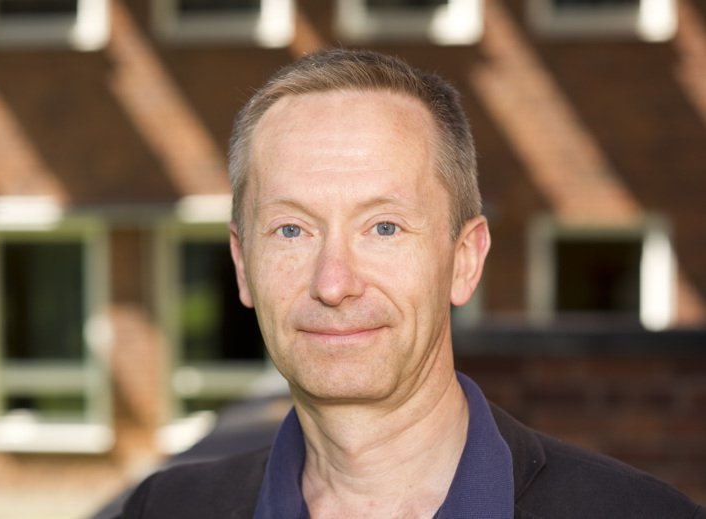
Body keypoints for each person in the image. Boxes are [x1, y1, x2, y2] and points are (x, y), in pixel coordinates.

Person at [121, 49, 705, 519]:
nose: (333, 283)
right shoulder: (165, 509)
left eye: (384, 227)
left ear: (464, 260)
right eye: (291, 229)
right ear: (243, 264)